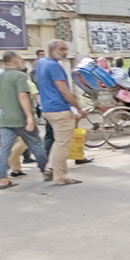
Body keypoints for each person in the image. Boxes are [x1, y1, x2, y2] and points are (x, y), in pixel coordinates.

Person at [0, 51, 48, 189]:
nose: (22, 60)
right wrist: (30, 117)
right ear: (13, 60)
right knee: (36, 144)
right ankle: (45, 171)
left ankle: (2, 179)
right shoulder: (19, 76)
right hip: (20, 118)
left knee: (4, 149)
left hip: (4, 119)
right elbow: (22, 96)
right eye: (20, 58)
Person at [37, 39, 87, 186]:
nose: (65, 52)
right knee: (63, 144)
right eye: (62, 49)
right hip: (59, 109)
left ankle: (50, 167)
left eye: (65, 49)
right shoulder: (54, 66)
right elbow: (63, 89)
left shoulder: (41, 63)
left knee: (59, 141)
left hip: (47, 108)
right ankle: (60, 177)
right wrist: (78, 107)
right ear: (52, 50)